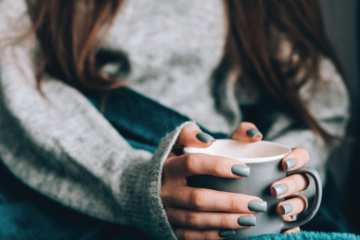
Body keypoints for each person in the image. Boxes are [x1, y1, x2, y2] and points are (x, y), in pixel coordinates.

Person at [0, 0, 349, 239]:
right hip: (85, 163)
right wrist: (135, 184)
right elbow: (14, 82)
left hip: (218, 161)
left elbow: (314, 94)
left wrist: (287, 171)